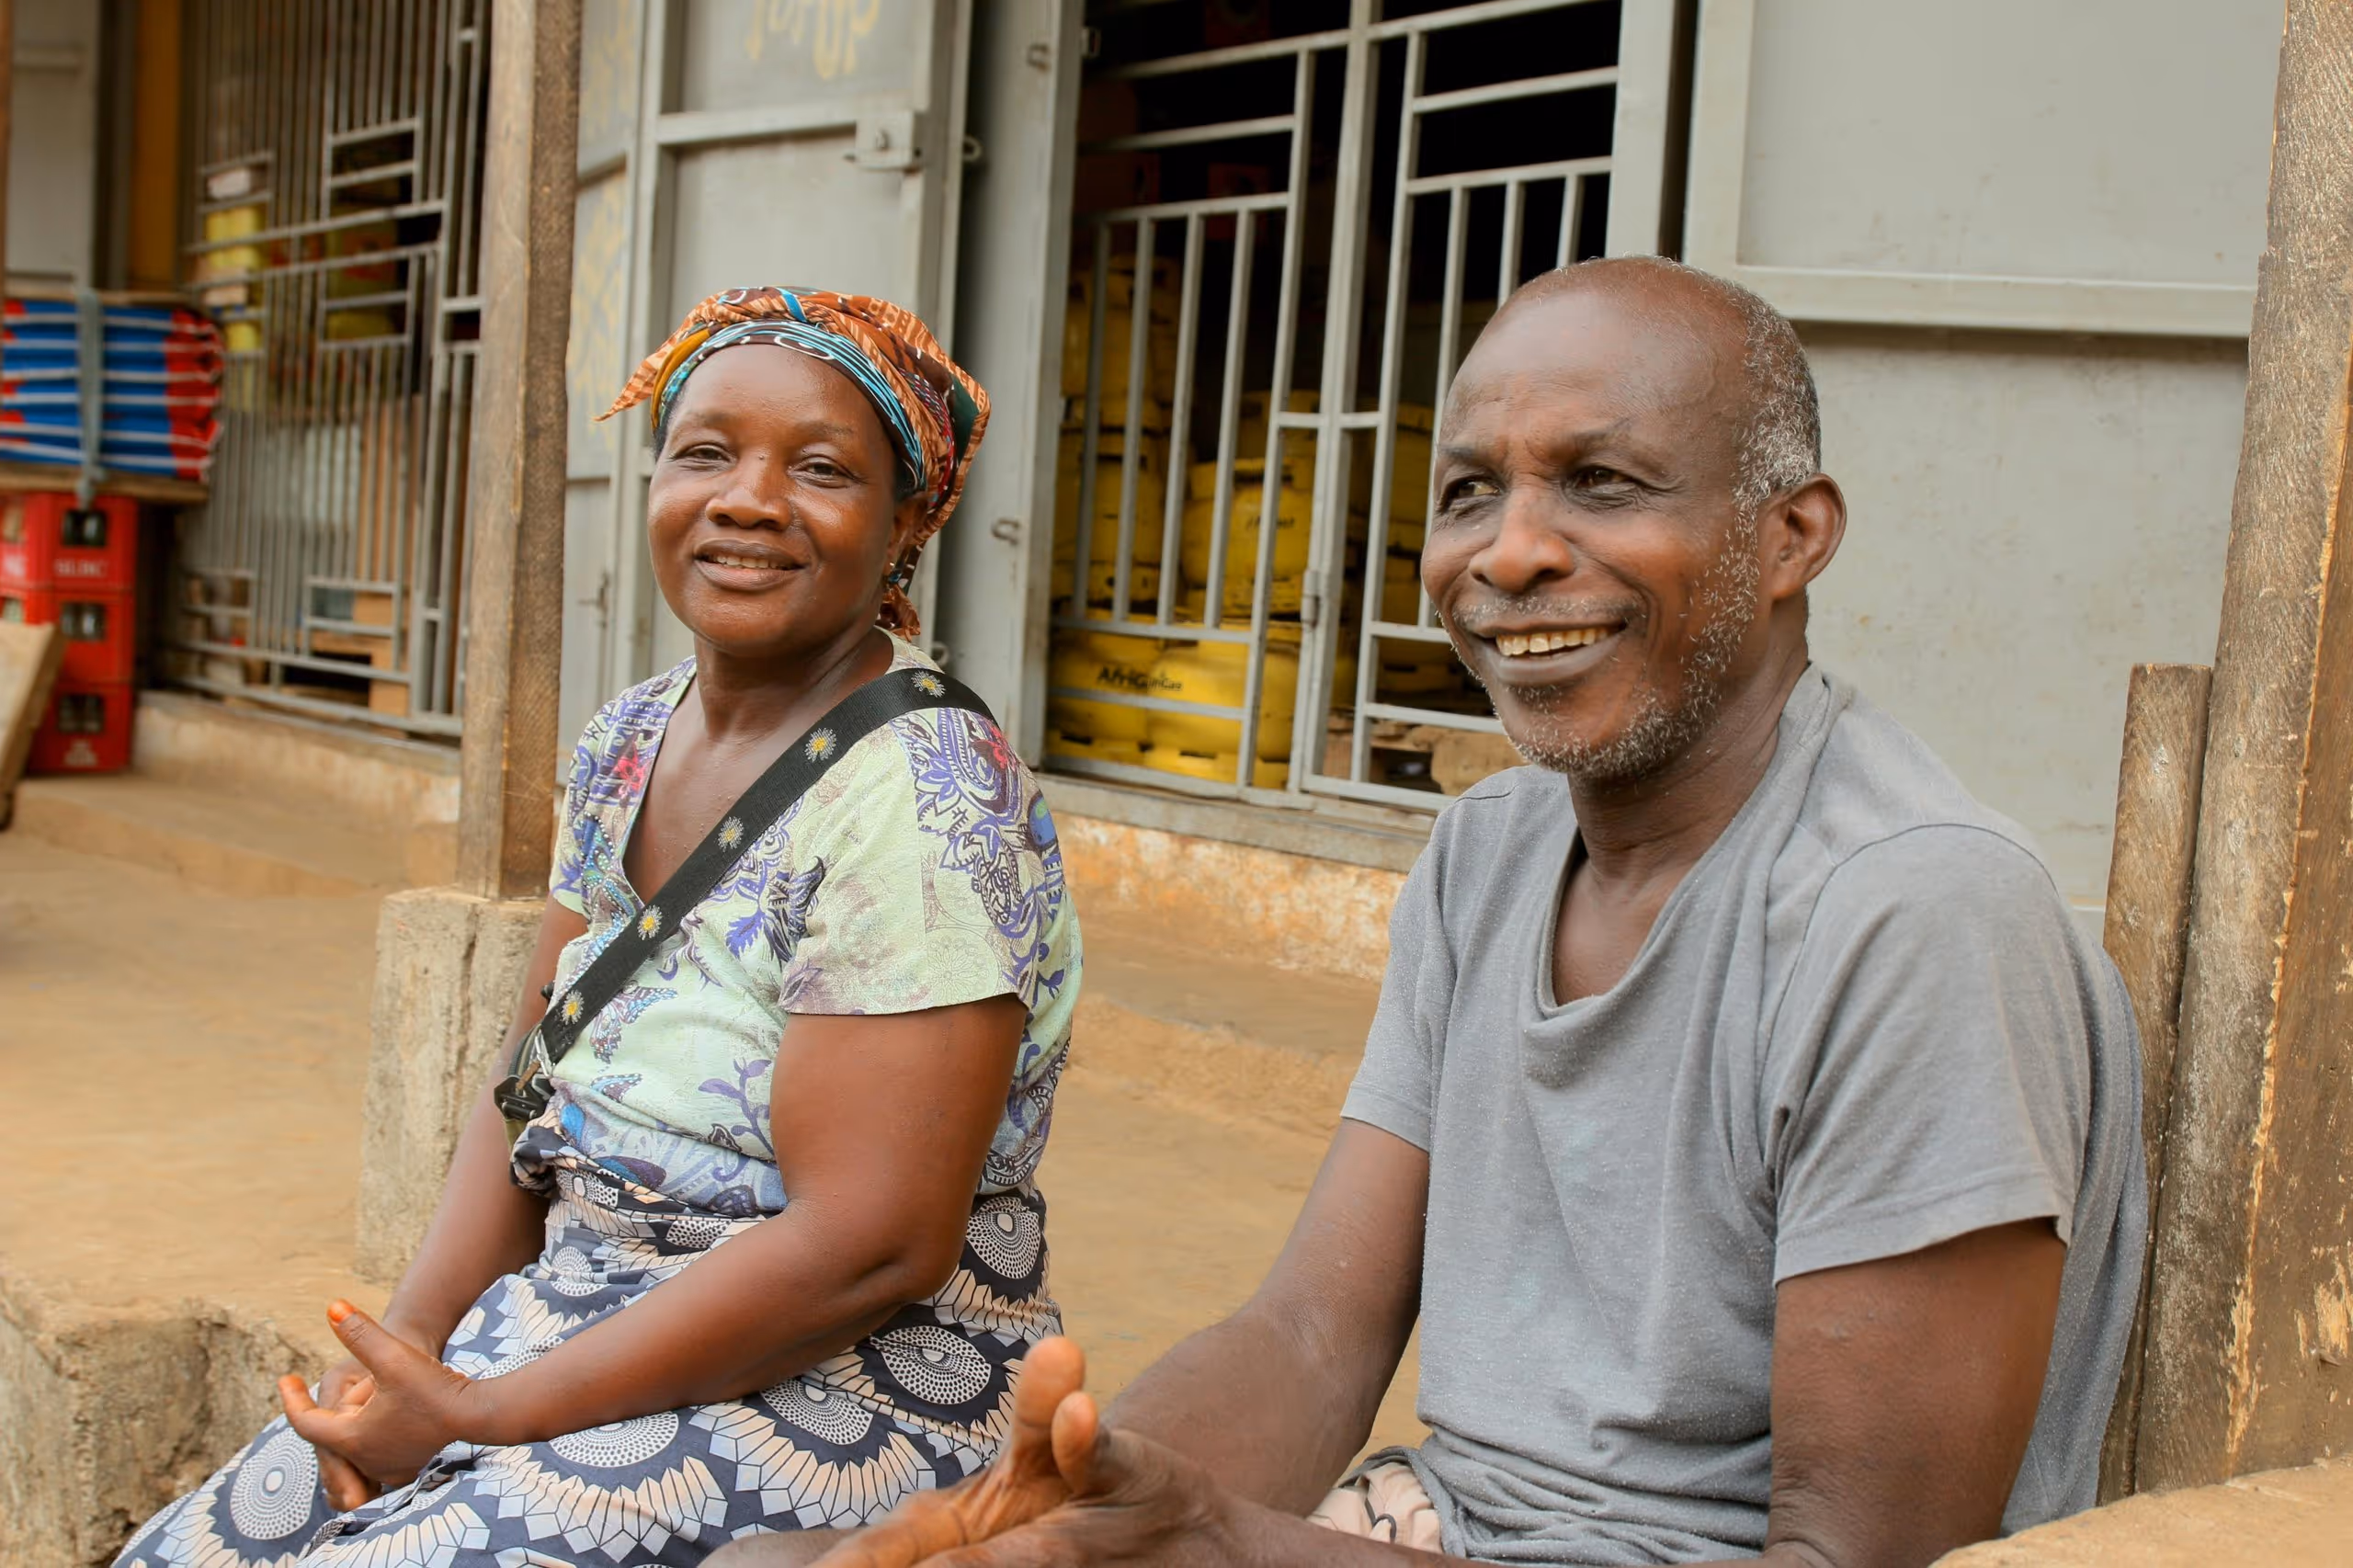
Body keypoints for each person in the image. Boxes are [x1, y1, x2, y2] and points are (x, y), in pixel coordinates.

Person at [720, 256, 2147, 1568]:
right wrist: (1083, 1511)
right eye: (1469, 491)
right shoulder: (1491, 849)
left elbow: (1851, 1558)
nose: (1512, 553)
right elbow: (1313, 1327)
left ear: (1791, 538)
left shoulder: (1910, 914)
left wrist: (1234, 1544)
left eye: (1601, 482)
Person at [115, 288, 1084, 1567]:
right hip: (577, 1310)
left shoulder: (926, 793)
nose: (746, 498)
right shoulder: (629, 735)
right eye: (703, 452)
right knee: (193, 1550)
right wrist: (408, 1357)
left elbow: (871, 1244)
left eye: (821, 468)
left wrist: (483, 1413)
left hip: (842, 1385)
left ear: (908, 521)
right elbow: (528, 1088)